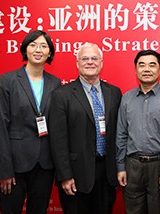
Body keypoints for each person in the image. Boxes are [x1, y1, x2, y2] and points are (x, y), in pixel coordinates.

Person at [49, 42, 122, 214]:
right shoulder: (62, 94)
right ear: (77, 63)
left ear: (101, 63)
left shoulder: (114, 92)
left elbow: (120, 134)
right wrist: (65, 176)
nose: (90, 62)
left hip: (107, 173)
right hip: (76, 174)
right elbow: (58, 140)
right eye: (85, 59)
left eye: (94, 58)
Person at [0, 30, 61, 213]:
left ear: (49, 52)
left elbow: (57, 126)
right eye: (33, 44)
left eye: (43, 45)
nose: (38, 49)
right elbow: (0, 125)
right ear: (25, 49)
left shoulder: (55, 83)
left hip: (45, 164)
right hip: (14, 164)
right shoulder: (8, 80)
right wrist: (4, 169)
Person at [116, 49, 160, 214]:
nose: (147, 69)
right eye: (142, 65)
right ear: (136, 70)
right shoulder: (127, 98)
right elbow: (121, 134)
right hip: (132, 166)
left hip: (159, 166)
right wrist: (120, 166)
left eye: (152, 65)